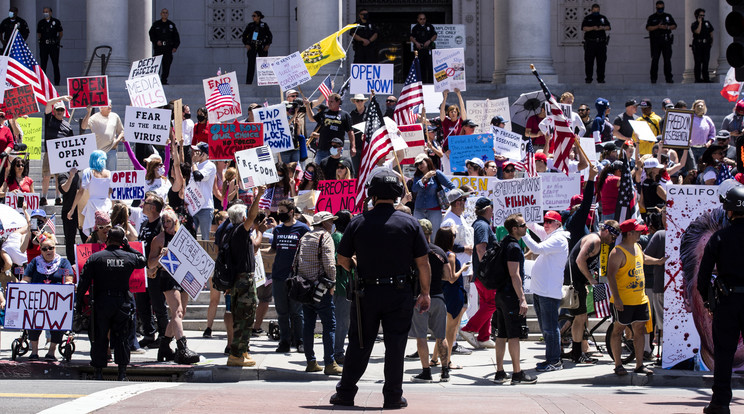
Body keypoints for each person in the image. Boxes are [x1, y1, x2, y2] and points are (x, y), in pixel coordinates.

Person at [330, 168, 431, 409]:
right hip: (399, 292)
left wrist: (355, 263)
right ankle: (393, 396)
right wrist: (425, 292)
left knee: (360, 342)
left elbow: (342, 259)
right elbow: (423, 263)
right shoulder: (410, 223)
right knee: (396, 345)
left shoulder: (358, 222)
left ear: (372, 195)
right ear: (397, 194)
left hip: (366, 293)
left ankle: (345, 393)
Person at [76, 226, 147, 381]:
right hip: (122, 303)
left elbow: (84, 282)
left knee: (100, 337)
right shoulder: (129, 257)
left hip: (102, 303)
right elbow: (143, 260)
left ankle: (99, 372)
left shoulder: (96, 258)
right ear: (122, 241)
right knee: (122, 338)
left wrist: (78, 302)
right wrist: (128, 247)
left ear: (107, 239)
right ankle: (122, 373)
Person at [697, 186, 744, 414]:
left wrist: (708, 302)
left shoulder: (719, 237)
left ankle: (720, 403)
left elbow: (703, 276)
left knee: (724, 354)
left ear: (729, 210)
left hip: (728, 301)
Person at [607, 219, 666, 376]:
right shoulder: (617, 252)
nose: (641, 233)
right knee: (618, 330)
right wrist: (617, 298)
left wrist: (659, 262)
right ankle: (618, 364)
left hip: (640, 299)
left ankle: (639, 365)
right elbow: (610, 276)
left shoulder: (637, 247)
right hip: (623, 301)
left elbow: (644, 258)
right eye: (638, 231)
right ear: (630, 233)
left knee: (639, 330)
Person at [149, 207, 201, 364]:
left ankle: (164, 346)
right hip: (168, 277)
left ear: (176, 221)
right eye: (163, 221)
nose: (165, 224)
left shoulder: (183, 236)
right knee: (177, 311)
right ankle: (182, 347)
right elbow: (150, 264)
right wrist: (160, 256)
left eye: (169, 221)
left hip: (184, 275)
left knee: (181, 313)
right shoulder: (159, 239)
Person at [564, 220, 620, 364]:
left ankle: (577, 350)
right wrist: (590, 279)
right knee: (580, 317)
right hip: (574, 281)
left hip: (579, 281)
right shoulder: (594, 240)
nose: (613, 240)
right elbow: (579, 260)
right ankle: (576, 354)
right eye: (613, 237)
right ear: (606, 231)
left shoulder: (598, 241)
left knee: (581, 317)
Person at [294, 211, 342, 375]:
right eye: (330, 221)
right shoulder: (325, 237)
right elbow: (329, 263)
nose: (332, 224)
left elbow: (296, 261)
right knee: (329, 324)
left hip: (305, 287)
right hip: (321, 287)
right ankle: (330, 363)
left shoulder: (305, 236)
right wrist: (332, 283)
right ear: (324, 223)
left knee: (308, 325)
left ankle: (311, 361)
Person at [521, 211, 569, 372]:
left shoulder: (558, 239)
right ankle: (552, 359)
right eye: (545, 221)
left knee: (550, 329)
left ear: (558, 224)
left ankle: (555, 360)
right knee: (546, 328)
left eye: (550, 221)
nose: (546, 224)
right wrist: (524, 219)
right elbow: (534, 226)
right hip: (542, 290)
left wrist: (523, 233)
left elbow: (535, 248)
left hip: (548, 292)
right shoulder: (551, 235)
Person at [493, 213, 537, 384]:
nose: (526, 227)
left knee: (501, 335)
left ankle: (499, 372)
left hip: (501, 295)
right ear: (514, 229)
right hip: (510, 295)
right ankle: (517, 374)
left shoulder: (504, 243)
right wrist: (522, 299)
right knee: (513, 336)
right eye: (523, 225)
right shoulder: (513, 247)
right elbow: (515, 274)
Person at [226, 189, 266, 367]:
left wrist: (260, 231)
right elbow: (252, 214)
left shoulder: (234, 233)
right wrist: (259, 196)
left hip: (240, 280)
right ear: (243, 219)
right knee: (245, 317)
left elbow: (254, 246)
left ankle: (242, 350)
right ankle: (236, 354)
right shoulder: (240, 232)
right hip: (243, 281)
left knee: (244, 316)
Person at [263, 199, 310, 353]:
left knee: (297, 311)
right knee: (282, 311)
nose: (279, 214)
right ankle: (284, 341)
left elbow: (309, 249)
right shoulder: (277, 230)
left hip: (296, 277)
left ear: (291, 212)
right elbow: (273, 249)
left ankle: (300, 341)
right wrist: (257, 251)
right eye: (279, 211)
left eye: (283, 212)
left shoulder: (303, 229)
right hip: (278, 276)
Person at [410, 219, 450, 383]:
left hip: (420, 298)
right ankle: (445, 371)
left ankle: (426, 371)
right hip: (438, 297)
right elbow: (448, 276)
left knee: (421, 337)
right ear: (430, 233)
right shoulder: (439, 251)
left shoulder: (413, 252)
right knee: (441, 336)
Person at [22, 233, 72, 361]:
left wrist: (68, 283)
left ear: (55, 248)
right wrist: (21, 285)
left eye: (51, 248)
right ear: (41, 250)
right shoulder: (35, 262)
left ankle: (51, 351)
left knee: (57, 324)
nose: (48, 251)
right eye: (45, 249)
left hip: (57, 301)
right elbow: (26, 279)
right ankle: (34, 351)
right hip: (38, 301)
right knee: (33, 323)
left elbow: (68, 279)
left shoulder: (63, 262)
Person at [459, 197, 498, 350]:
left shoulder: (481, 224)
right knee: (492, 303)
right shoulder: (482, 225)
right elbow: (481, 249)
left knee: (486, 303)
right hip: (485, 274)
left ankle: (483, 337)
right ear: (488, 209)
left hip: (481, 272)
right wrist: (488, 270)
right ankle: (469, 329)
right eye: (492, 207)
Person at [411, 154, 455, 238]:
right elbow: (414, 189)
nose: (419, 166)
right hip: (419, 209)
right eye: (417, 164)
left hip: (434, 209)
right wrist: (425, 177)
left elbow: (451, 186)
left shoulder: (437, 173)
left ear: (427, 161)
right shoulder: (417, 176)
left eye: (421, 163)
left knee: (434, 236)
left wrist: (451, 199)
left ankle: (434, 251)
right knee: (418, 235)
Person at [41, 95, 73, 206]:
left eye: (61, 110)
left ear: (64, 111)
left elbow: (71, 142)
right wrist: (62, 98)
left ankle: (58, 197)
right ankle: (43, 197)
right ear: (54, 110)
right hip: (49, 152)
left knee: (59, 177)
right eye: (58, 109)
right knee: (46, 175)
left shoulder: (67, 126)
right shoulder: (49, 119)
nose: (60, 111)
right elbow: (48, 102)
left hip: (62, 154)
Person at [70, 151, 112, 234]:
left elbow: (81, 191)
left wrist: (72, 209)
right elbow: (111, 191)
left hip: (93, 205)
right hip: (106, 204)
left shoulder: (88, 172)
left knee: (93, 232)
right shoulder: (109, 173)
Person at [331, 210, 353, 364]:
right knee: (341, 322)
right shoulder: (338, 237)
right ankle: (338, 353)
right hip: (341, 286)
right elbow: (336, 259)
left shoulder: (339, 236)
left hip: (343, 284)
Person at [309, 93, 355, 163]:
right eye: (328, 101)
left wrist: (353, 147)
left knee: (335, 171)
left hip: (336, 149)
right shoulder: (324, 112)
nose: (329, 103)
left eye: (331, 102)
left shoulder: (345, 115)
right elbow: (312, 119)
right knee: (320, 172)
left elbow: (350, 132)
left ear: (338, 102)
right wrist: (307, 106)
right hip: (322, 149)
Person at [81, 101, 124, 171]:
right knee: (100, 176)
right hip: (99, 152)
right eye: (108, 105)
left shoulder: (115, 116)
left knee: (112, 176)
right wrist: (89, 112)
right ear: (101, 107)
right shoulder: (93, 118)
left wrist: (118, 140)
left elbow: (122, 131)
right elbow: (83, 126)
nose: (110, 106)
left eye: (111, 105)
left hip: (111, 151)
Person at [190, 142, 216, 240]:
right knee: (192, 236)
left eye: (198, 151)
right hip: (193, 206)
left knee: (205, 239)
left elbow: (198, 177)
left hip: (205, 207)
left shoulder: (210, 165)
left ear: (204, 154)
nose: (194, 153)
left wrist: (193, 163)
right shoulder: (195, 165)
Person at [646, 1, 677, 84]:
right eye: (659, 8)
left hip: (666, 41)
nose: (660, 10)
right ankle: (653, 78)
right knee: (655, 60)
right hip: (656, 41)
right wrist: (657, 26)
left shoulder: (667, 16)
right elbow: (648, 27)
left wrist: (667, 27)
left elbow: (674, 26)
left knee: (667, 60)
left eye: (662, 8)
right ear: (656, 8)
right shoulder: (652, 17)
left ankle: (668, 78)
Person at [581, 3, 611, 84]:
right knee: (589, 61)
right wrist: (593, 28)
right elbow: (584, 28)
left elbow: (608, 27)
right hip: (590, 42)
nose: (596, 12)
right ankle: (588, 78)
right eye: (595, 10)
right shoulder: (588, 18)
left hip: (601, 43)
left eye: (597, 10)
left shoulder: (602, 18)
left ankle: (601, 79)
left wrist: (602, 28)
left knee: (601, 61)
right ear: (591, 10)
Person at [149, 8, 180, 85]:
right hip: (158, 49)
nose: (164, 14)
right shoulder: (156, 24)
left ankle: (164, 81)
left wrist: (175, 47)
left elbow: (176, 37)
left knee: (166, 65)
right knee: (157, 65)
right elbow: (151, 34)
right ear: (161, 14)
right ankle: (156, 81)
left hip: (168, 49)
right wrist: (156, 41)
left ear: (168, 14)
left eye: (166, 13)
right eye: (163, 12)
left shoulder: (171, 25)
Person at [242, 11, 272, 84]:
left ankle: (263, 81)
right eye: (252, 16)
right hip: (252, 46)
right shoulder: (250, 25)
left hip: (261, 46)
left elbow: (269, 35)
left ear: (259, 17)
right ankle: (249, 82)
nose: (253, 17)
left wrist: (267, 45)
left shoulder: (264, 25)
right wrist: (246, 44)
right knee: (251, 64)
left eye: (254, 16)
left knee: (263, 64)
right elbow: (244, 35)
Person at [37, 7, 62, 85]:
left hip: (53, 45)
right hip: (44, 45)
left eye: (47, 11)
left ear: (51, 12)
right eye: (44, 12)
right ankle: (43, 83)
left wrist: (57, 41)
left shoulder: (56, 22)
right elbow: (39, 34)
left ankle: (57, 82)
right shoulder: (41, 22)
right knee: (43, 64)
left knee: (55, 64)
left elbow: (60, 33)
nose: (45, 13)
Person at [410, 13, 437, 84]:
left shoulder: (429, 26)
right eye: (421, 19)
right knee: (420, 67)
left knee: (430, 66)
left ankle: (431, 83)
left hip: (428, 49)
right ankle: (421, 83)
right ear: (418, 20)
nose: (422, 20)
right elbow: (411, 37)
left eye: (424, 19)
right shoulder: (415, 28)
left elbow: (435, 35)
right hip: (419, 50)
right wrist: (416, 43)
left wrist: (429, 41)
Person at [691, 8, 713, 83]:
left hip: (706, 45)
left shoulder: (707, 23)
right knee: (698, 62)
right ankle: (697, 78)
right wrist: (699, 23)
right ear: (697, 15)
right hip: (698, 45)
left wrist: (711, 43)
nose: (702, 17)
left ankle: (706, 78)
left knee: (706, 62)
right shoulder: (694, 24)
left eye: (703, 15)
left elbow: (711, 32)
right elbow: (697, 32)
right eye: (700, 15)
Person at [349, 94, 367, 172]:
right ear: (354, 102)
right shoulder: (351, 114)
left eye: (361, 100)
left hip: (367, 146)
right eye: (357, 101)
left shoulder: (370, 113)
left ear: (364, 102)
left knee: (367, 169)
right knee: (356, 171)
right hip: (355, 147)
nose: (359, 102)